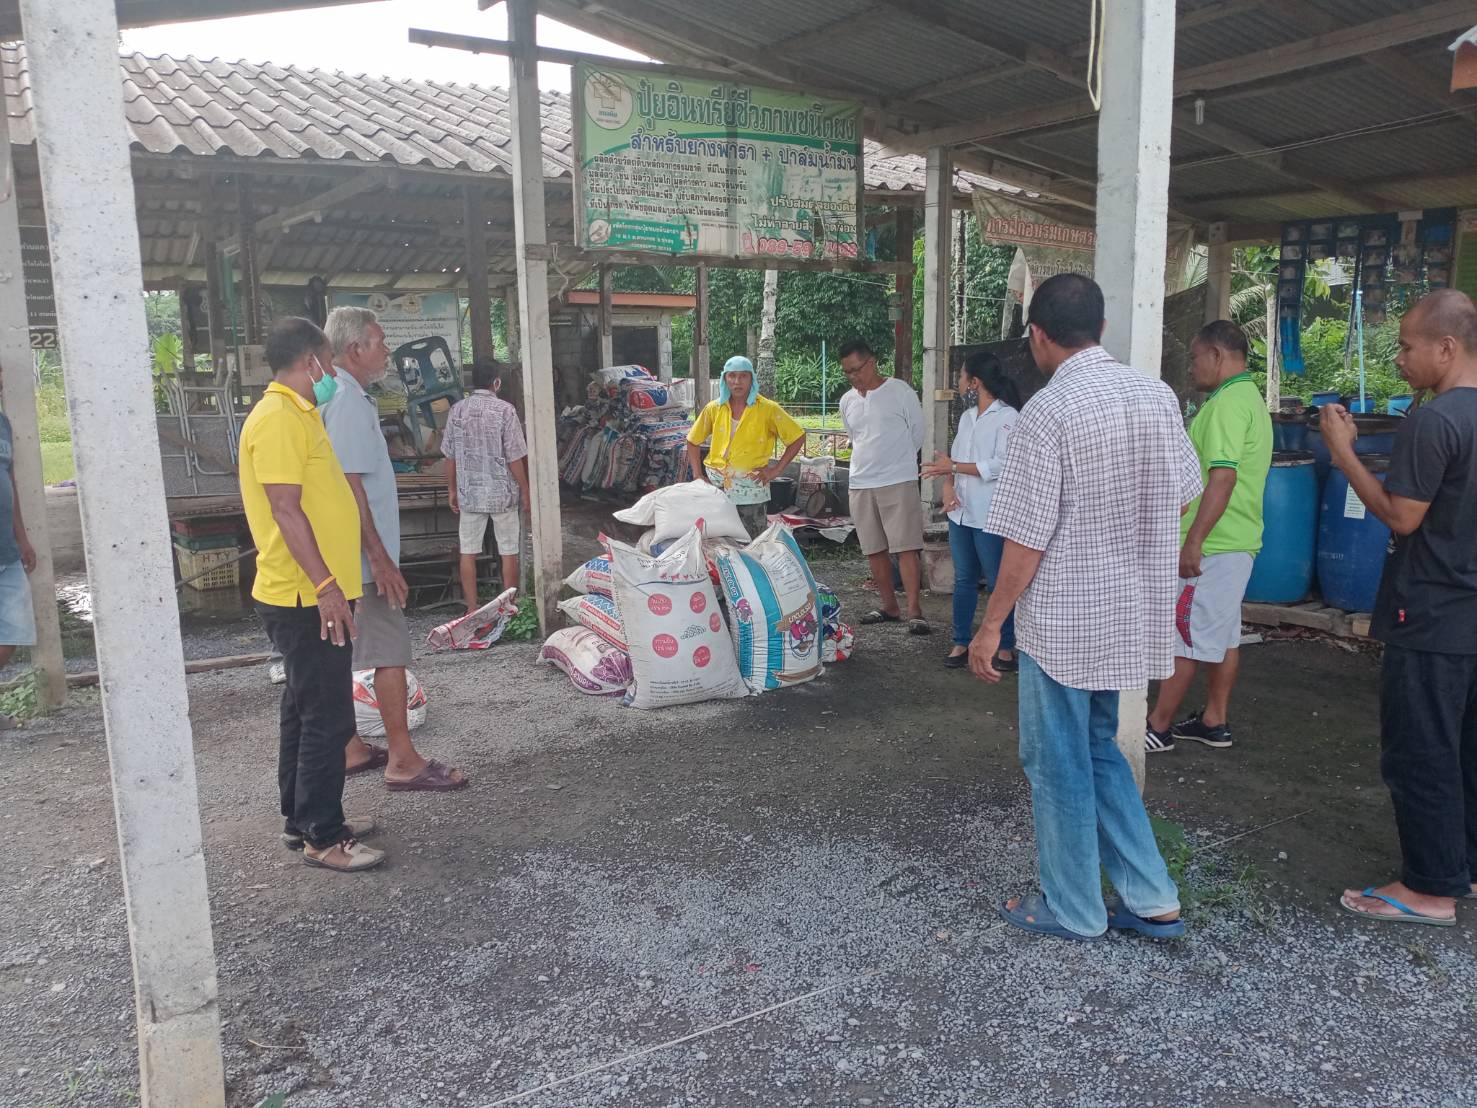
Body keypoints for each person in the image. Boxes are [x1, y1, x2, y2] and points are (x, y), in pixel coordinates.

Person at [969, 273, 1202, 941]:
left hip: (1064, 624)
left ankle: (1073, 907)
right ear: (1099, 328)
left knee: (1057, 761)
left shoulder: (1048, 412)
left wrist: (991, 626)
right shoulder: (1155, 396)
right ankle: (1152, 896)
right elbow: (1182, 491)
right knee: (1097, 748)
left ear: (1038, 336)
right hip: (1129, 614)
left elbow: (1025, 539)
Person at [1330, 289, 1477, 928]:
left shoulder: (1436, 421)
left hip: (1432, 614)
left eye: (1407, 346)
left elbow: (1401, 516)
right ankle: (1463, 867)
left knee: (1421, 751)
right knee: (1466, 748)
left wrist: (1343, 453)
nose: (1398, 358)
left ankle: (1430, 889)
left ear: (1446, 347)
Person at [239, 317, 383, 873]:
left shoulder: (298, 413)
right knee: (328, 716)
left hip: (310, 591)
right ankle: (324, 835)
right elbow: (285, 509)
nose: (331, 374)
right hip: (304, 595)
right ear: (311, 362)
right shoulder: (277, 418)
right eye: (327, 363)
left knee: (303, 710)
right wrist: (326, 587)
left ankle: (302, 819)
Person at [321, 307, 467, 793]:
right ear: (355, 349)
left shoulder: (341, 394)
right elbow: (349, 485)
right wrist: (380, 558)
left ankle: (351, 748)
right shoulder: (345, 399)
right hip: (363, 557)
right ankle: (402, 759)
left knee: (342, 653)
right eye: (380, 342)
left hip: (350, 553)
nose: (387, 351)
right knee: (389, 653)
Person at [1145, 320, 1271, 754]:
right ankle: (1214, 720)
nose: (1191, 367)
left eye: (1196, 357)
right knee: (1223, 636)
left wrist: (1194, 541)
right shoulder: (1248, 397)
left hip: (1214, 546)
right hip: (1237, 540)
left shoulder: (1226, 405)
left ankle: (1158, 727)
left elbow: (1223, 477)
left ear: (1216, 355)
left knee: (1185, 635)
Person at [920, 350, 1019, 671]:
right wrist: (948, 486)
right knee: (963, 579)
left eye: (962, 377)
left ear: (975, 382)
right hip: (960, 512)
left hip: (990, 513)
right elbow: (954, 460)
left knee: (997, 582)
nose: (959, 383)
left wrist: (954, 468)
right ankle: (960, 641)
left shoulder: (1008, 417)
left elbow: (1002, 464)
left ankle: (1005, 646)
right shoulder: (966, 417)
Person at [837, 339, 929, 635]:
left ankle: (914, 610)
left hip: (897, 479)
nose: (853, 376)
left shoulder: (900, 392)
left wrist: (897, 462)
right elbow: (854, 437)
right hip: (861, 482)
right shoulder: (847, 401)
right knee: (873, 548)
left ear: (872, 362)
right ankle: (889, 606)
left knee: (906, 547)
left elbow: (917, 434)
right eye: (847, 372)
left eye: (856, 369)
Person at [442, 361, 530, 615]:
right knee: (508, 551)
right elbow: (515, 457)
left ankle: (471, 608)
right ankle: (508, 606)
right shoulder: (505, 411)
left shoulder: (457, 410)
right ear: (496, 382)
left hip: (469, 493)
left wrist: (451, 489)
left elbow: (450, 456)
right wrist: (525, 490)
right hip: (502, 494)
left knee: (468, 551)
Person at [685, 355, 807, 537]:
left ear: (752, 379)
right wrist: (697, 475)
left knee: (751, 540)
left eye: (743, 376)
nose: (737, 381)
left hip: (751, 489)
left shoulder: (768, 409)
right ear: (725, 379)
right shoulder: (714, 408)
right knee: (717, 540)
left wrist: (775, 471)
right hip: (716, 487)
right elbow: (692, 440)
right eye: (732, 376)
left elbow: (797, 437)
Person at [0, 408, 37, 683]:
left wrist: (22, 539)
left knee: (12, 632)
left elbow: (10, 480)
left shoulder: (3, 423)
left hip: (8, 550)